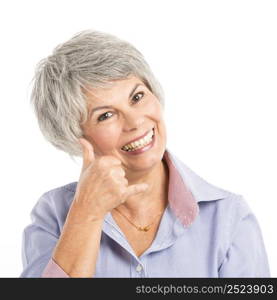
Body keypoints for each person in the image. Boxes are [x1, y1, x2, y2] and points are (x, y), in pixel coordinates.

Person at [20, 29, 270, 278]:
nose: (135, 122)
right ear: (74, 138)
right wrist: (87, 214)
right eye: (105, 115)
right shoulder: (53, 215)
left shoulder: (229, 218)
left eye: (137, 97)